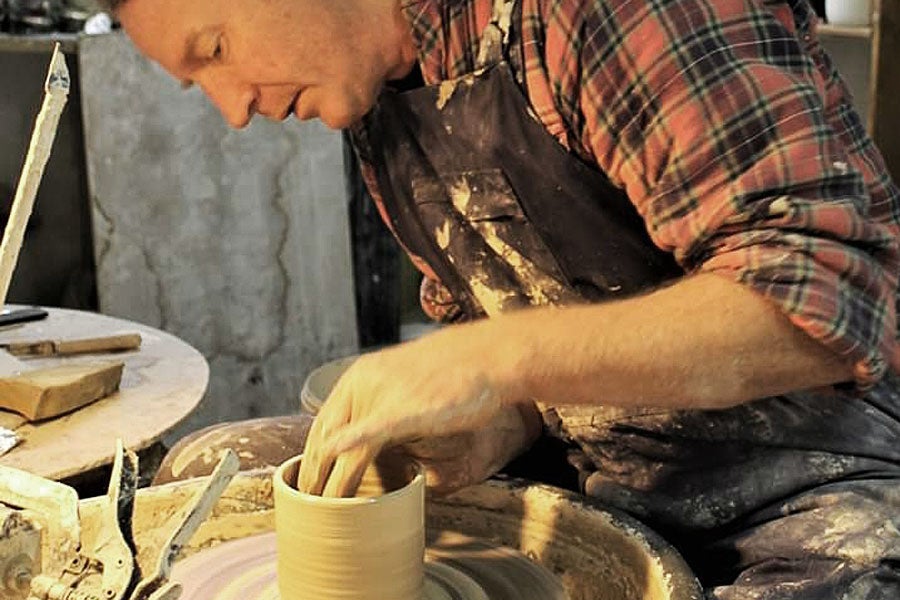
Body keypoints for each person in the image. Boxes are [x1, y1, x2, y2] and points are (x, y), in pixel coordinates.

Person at [106, 0, 900, 596]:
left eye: (216, 49)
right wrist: (497, 423)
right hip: (605, 459)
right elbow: (522, 334)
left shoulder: (601, 14)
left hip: (814, 480)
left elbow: (830, 294)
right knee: (207, 470)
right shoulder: (382, 92)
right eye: (198, 82)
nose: (233, 108)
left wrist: (490, 360)